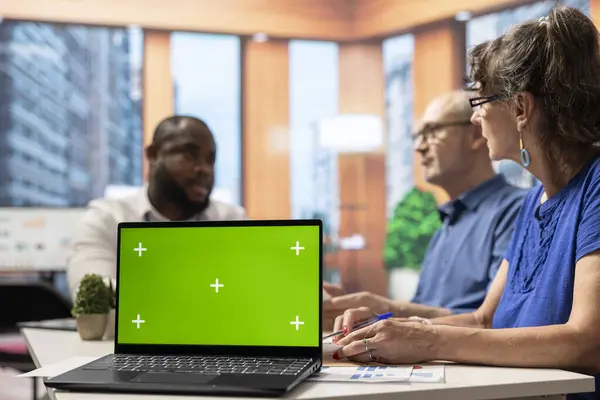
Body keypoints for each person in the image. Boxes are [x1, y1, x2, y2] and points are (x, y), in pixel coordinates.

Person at [331, 7, 600, 400]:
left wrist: (428, 341)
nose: (475, 119)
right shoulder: (534, 201)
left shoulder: (594, 187)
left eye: (481, 102)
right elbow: (485, 319)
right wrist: (389, 328)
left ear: (521, 109)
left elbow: (588, 341)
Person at [322, 90, 527, 329]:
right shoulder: (446, 225)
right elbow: (422, 309)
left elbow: (493, 319)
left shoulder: (517, 211)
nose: (419, 147)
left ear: (475, 133)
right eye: (418, 136)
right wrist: (355, 310)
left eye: (431, 132)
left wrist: (387, 308)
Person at [67, 116, 247, 298]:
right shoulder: (106, 221)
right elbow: (94, 302)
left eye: (210, 160)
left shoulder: (232, 222)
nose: (204, 169)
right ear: (153, 155)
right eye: (189, 156)